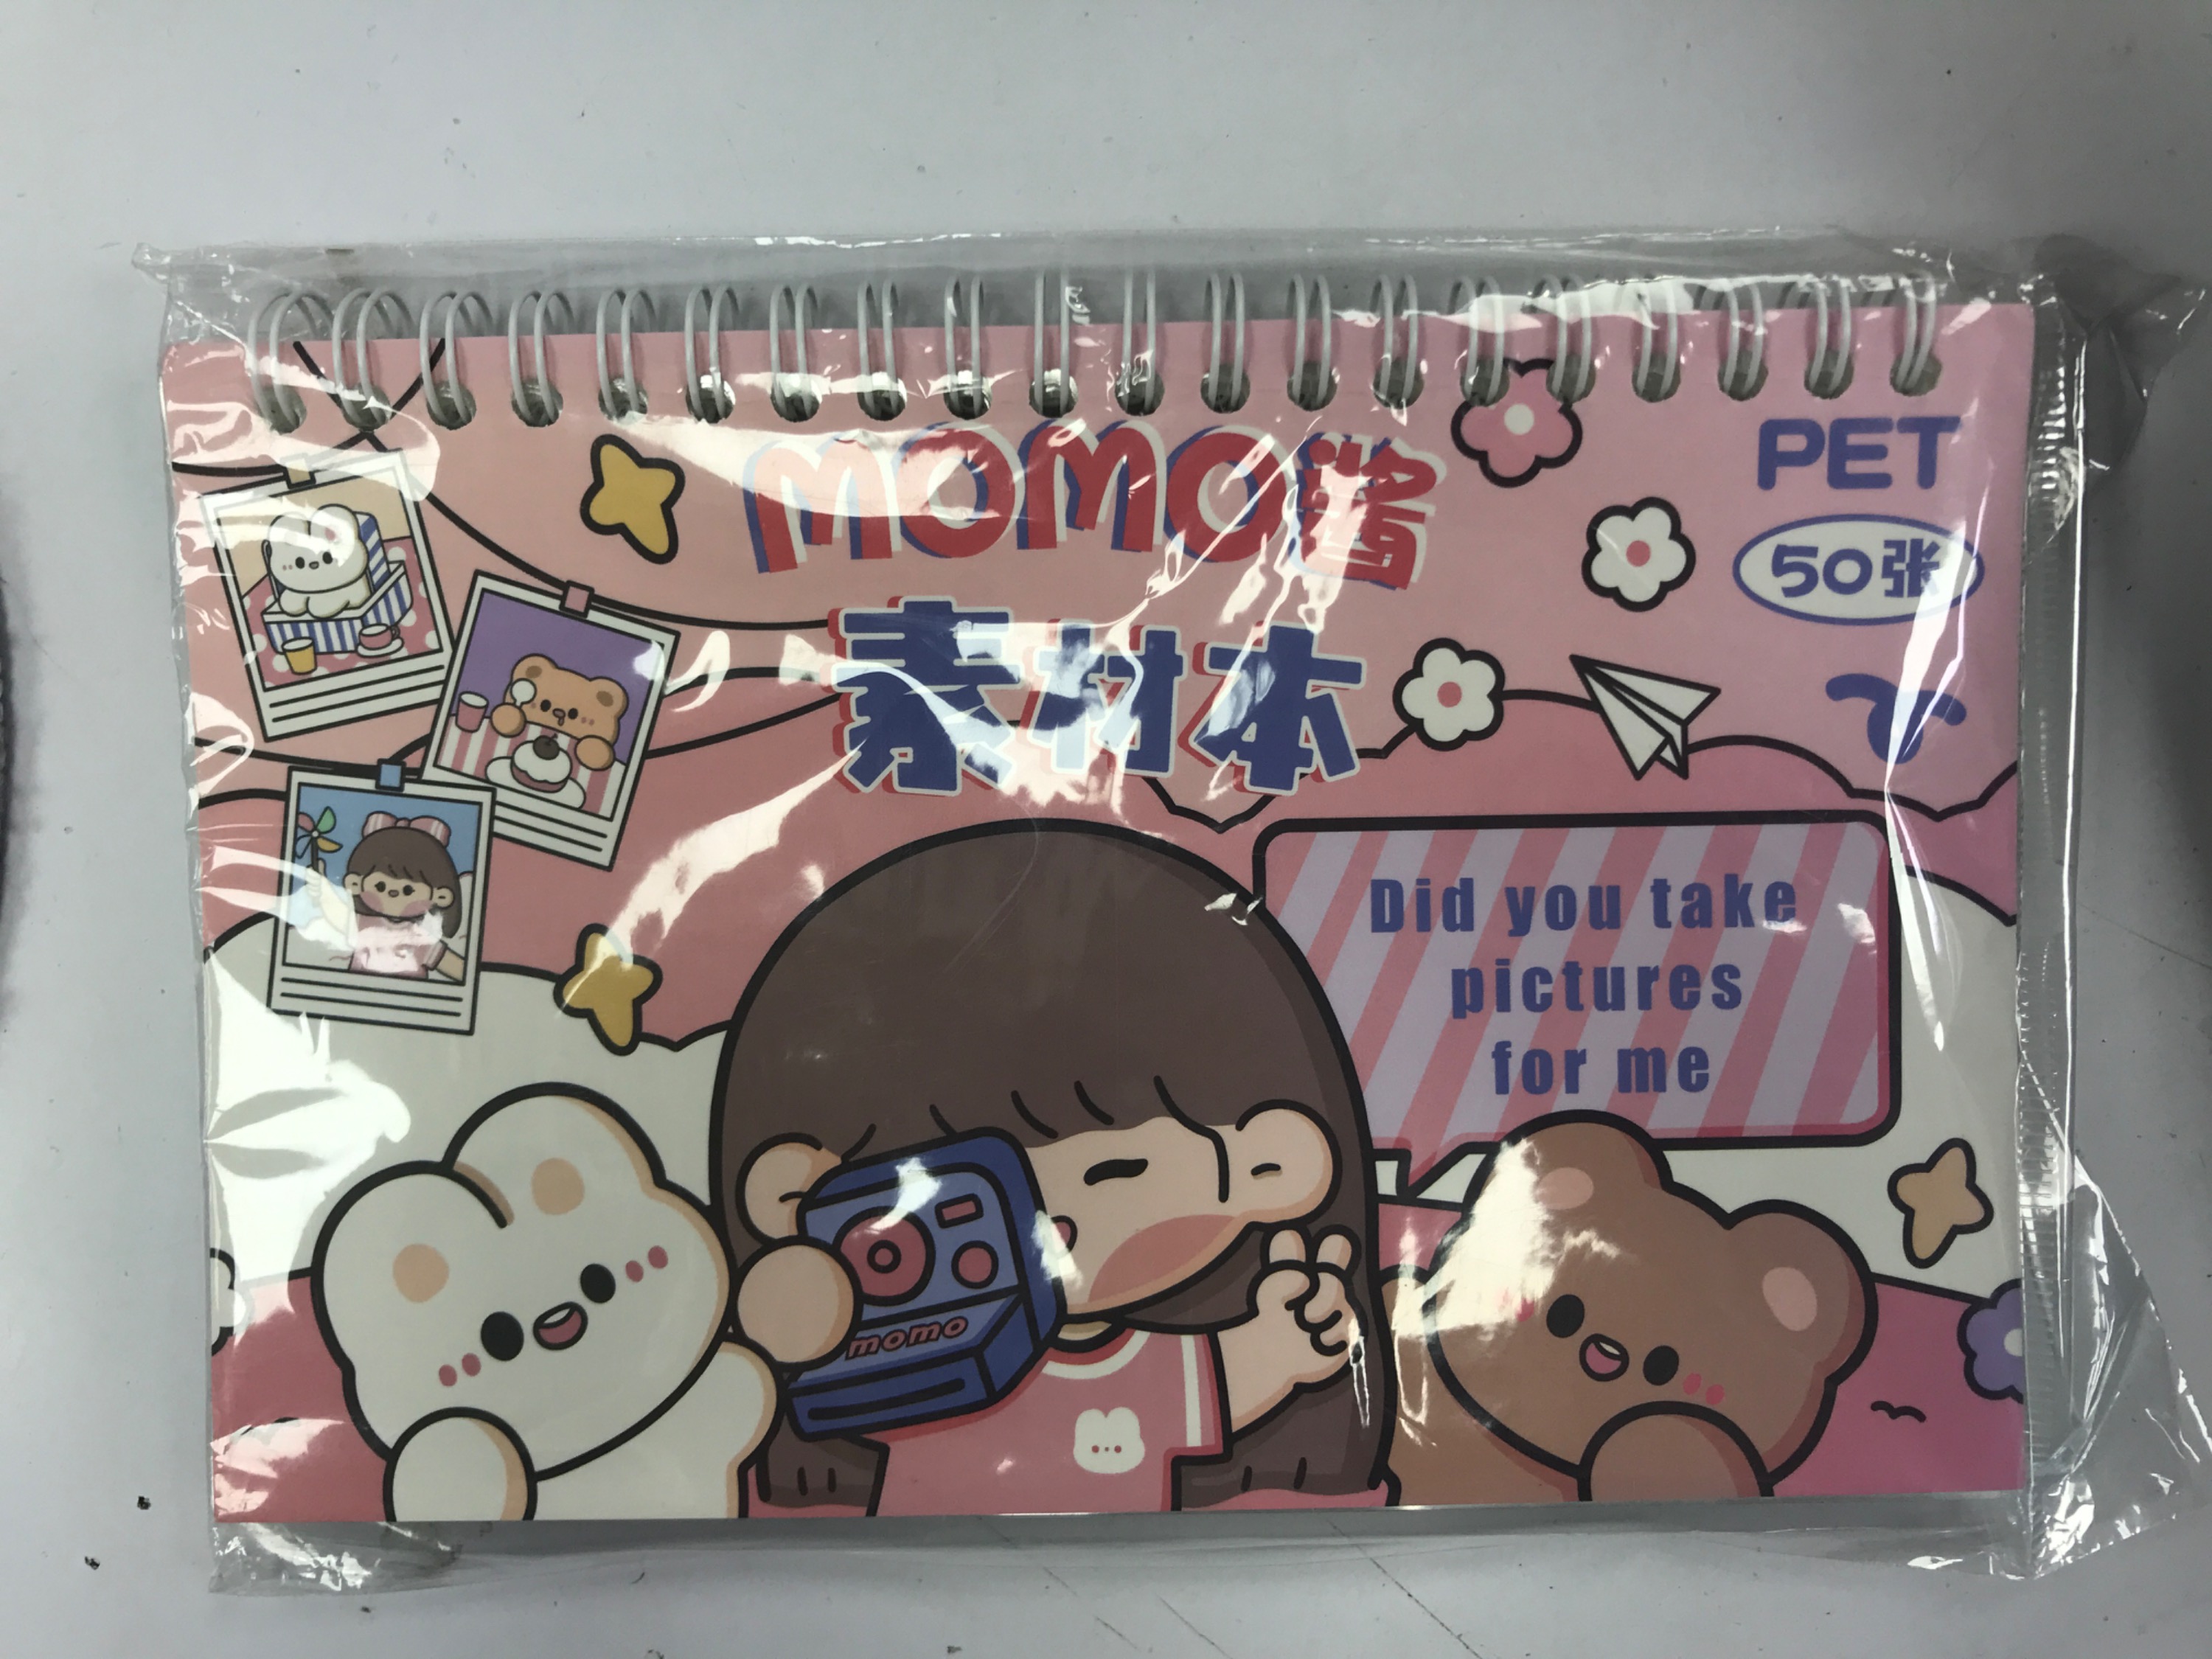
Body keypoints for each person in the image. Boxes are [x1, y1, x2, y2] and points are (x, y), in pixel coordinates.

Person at [710, 822, 1392, 1515]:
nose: (1038, 1223)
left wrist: (1283, 1343)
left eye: (1118, 1175)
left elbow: (1224, 1382)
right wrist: (803, 1314)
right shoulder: (894, 1364)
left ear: (1270, 1169)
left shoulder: (1144, 1368)